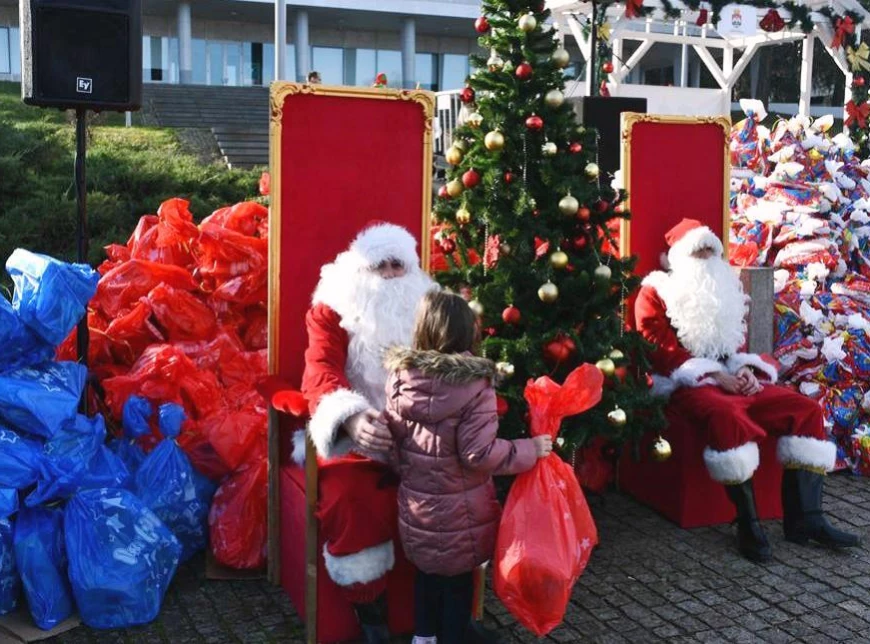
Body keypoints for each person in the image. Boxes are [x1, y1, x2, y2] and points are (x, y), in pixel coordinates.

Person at [635, 218, 859, 563]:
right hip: (685, 382)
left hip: (731, 377)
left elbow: (734, 346)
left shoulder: (724, 292)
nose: (707, 257)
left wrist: (746, 371)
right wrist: (714, 376)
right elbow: (658, 350)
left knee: (804, 409)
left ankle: (806, 520)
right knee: (727, 415)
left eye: (712, 250)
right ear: (678, 257)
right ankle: (748, 523)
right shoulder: (655, 292)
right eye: (699, 251)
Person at [383, 291, 552, 644]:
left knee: (427, 578)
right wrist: (529, 449)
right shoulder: (474, 385)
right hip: (461, 513)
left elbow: (393, 443)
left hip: (417, 509)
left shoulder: (401, 380)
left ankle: (424, 638)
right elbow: (479, 454)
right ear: (466, 333)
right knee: (459, 585)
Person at [298, 223, 436, 643]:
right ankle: (371, 619)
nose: (392, 275)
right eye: (382, 266)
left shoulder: (430, 305)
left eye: (399, 265)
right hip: (361, 437)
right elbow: (319, 370)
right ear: (361, 270)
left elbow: (456, 358)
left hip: (423, 431)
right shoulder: (333, 306)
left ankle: (448, 613)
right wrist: (352, 420)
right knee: (351, 497)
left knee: (461, 492)